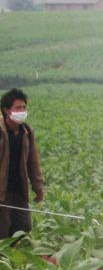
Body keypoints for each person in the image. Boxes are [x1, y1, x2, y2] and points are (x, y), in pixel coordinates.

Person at [0, 89, 45, 239]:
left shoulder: (27, 132)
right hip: (2, 190)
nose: (22, 111)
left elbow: (33, 161)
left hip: (19, 189)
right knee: (3, 230)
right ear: (6, 110)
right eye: (18, 108)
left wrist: (38, 187)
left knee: (23, 227)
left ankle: (16, 259)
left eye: (24, 107)